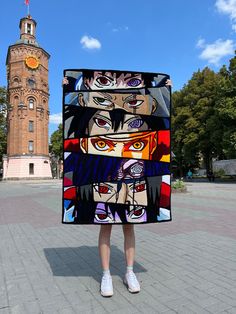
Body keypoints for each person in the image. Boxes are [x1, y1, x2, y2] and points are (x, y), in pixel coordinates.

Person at [62, 72, 172, 297]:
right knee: (106, 225)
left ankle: (129, 272)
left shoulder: (147, 157)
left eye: (136, 123)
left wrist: (164, 91)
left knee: (129, 226)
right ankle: (105, 274)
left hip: (134, 180)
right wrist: (69, 89)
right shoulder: (87, 159)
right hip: (103, 176)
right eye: (101, 123)